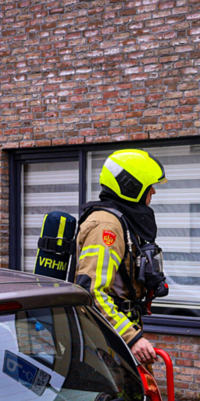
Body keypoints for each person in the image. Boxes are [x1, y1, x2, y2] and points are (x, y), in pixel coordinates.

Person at [76, 149, 168, 365]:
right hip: (106, 343)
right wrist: (132, 338)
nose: (153, 191)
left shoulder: (122, 220)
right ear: (131, 186)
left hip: (117, 335)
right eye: (149, 186)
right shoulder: (106, 226)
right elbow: (92, 292)